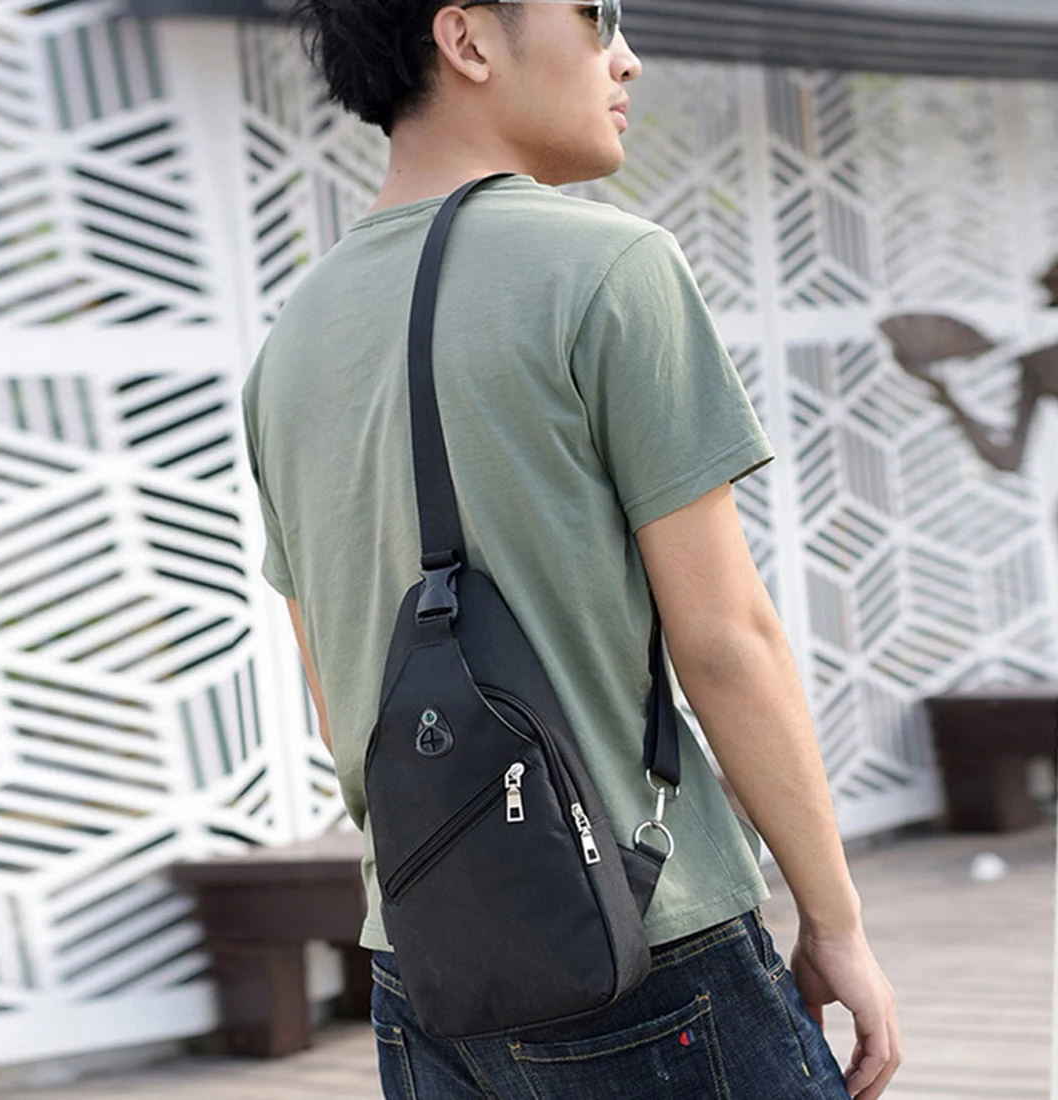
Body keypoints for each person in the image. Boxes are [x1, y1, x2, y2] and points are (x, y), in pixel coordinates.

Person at [241, 0, 902, 1096]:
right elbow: (725, 643)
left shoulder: (289, 345)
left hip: (424, 964)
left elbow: (337, 699)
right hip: (642, 940)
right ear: (466, 40)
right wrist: (835, 923)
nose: (625, 58)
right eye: (597, 16)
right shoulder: (610, 267)